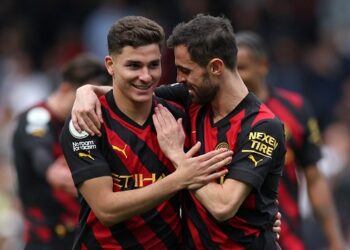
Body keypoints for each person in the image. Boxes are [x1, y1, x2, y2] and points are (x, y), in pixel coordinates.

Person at [71, 14, 286, 249]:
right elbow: (133, 92)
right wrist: (86, 91)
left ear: (215, 67)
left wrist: (177, 157)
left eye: (185, 70)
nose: (178, 78)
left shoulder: (262, 126)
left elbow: (223, 206)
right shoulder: (190, 99)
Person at [234, 31, 344, 250]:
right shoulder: (219, 116)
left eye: (242, 67)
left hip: (288, 239)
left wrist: (335, 241)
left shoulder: (296, 108)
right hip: (235, 241)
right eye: (231, 68)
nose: (235, 75)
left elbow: (314, 179)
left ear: (263, 65)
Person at [12, 54, 111, 250]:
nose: (89, 107)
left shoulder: (80, 125)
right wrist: (52, 171)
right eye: (85, 98)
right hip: (47, 238)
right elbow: (40, 155)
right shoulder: (37, 117)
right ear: (66, 89)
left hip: (79, 235)